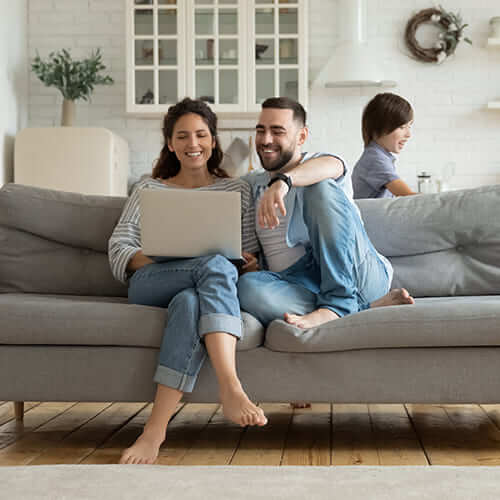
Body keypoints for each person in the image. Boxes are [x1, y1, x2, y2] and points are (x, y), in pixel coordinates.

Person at [108, 98, 267, 465]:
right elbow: (120, 245)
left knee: (191, 303)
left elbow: (246, 250)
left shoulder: (236, 190)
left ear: (213, 140)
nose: (192, 143)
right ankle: (230, 387)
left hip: (202, 288)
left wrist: (250, 261)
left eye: (200, 134)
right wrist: (167, 255)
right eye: (182, 136)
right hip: (151, 280)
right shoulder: (149, 190)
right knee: (211, 264)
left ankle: (155, 431)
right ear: (170, 143)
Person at [238, 96, 414, 331]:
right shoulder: (252, 185)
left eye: (277, 131)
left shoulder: (322, 163)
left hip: (357, 273)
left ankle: (338, 302)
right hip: (299, 283)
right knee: (247, 287)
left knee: (319, 185)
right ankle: (361, 308)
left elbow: (331, 166)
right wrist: (252, 264)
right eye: (261, 131)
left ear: (301, 136)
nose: (266, 140)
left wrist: (284, 182)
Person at [352, 92, 417, 199]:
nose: (408, 134)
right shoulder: (375, 159)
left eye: (409, 127)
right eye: (402, 127)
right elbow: (410, 197)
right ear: (379, 127)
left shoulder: (379, 156)